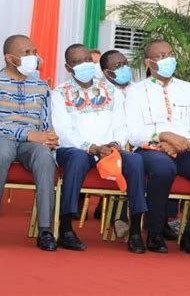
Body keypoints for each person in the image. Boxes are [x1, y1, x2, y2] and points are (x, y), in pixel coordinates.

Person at [124, 39, 190, 255]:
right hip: (151, 148)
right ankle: (154, 232)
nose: (167, 60)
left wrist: (183, 144)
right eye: (160, 57)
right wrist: (163, 135)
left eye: (170, 54)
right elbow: (133, 133)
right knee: (163, 169)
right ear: (148, 63)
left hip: (184, 148)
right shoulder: (136, 91)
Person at [52, 43, 148, 253]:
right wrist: (92, 148)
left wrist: (115, 144)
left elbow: (121, 124)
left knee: (135, 160)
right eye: (78, 62)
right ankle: (66, 228)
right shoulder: (59, 93)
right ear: (68, 68)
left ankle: (134, 231)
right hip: (76, 149)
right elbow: (63, 131)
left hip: (109, 149)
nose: (85, 65)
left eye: (88, 60)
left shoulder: (110, 90)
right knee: (77, 158)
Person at [0, 34, 58, 251]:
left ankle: (46, 231)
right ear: (10, 59)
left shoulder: (41, 87)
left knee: (44, 155)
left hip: (31, 143)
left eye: (34, 52)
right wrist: (27, 135)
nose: (34, 57)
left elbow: (45, 122)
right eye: (26, 53)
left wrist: (49, 137)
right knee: (2, 148)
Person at [100, 49, 179, 241]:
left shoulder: (140, 89)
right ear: (106, 73)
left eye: (125, 63)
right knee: (139, 164)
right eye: (117, 66)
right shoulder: (102, 93)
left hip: (142, 141)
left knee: (166, 162)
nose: (124, 68)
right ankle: (122, 218)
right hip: (115, 145)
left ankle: (161, 220)